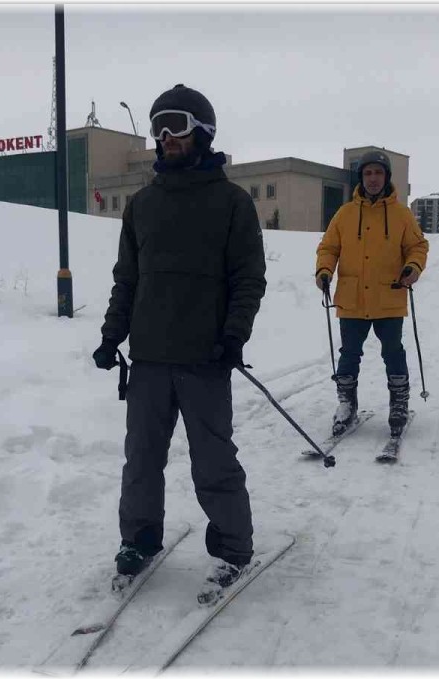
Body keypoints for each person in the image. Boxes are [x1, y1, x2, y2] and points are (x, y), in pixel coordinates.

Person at [92, 84, 267, 597]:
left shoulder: (232, 203)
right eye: (159, 126)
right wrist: (111, 334)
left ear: (204, 133)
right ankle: (140, 540)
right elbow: (128, 278)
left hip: (205, 358)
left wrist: (234, 335)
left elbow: (248, 279)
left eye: (179, 125)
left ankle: (233, 547)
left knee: (212, 460)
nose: (167, 136)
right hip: (148, 359)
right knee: (141, 458)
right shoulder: (143, 205)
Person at [314, 150, 429, 438]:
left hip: (389, 295)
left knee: (393, 353)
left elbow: (418, 247)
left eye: (378, 173)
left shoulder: (401, 214)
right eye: (368, 173)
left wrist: (413, 267)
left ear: (386, 176)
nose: (373, 178)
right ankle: (346, 404)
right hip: (352, 298)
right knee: (349, 354)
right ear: (361, 177)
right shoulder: (345, 213)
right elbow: (328, 248)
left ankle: (399, 403)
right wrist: (324, 271)